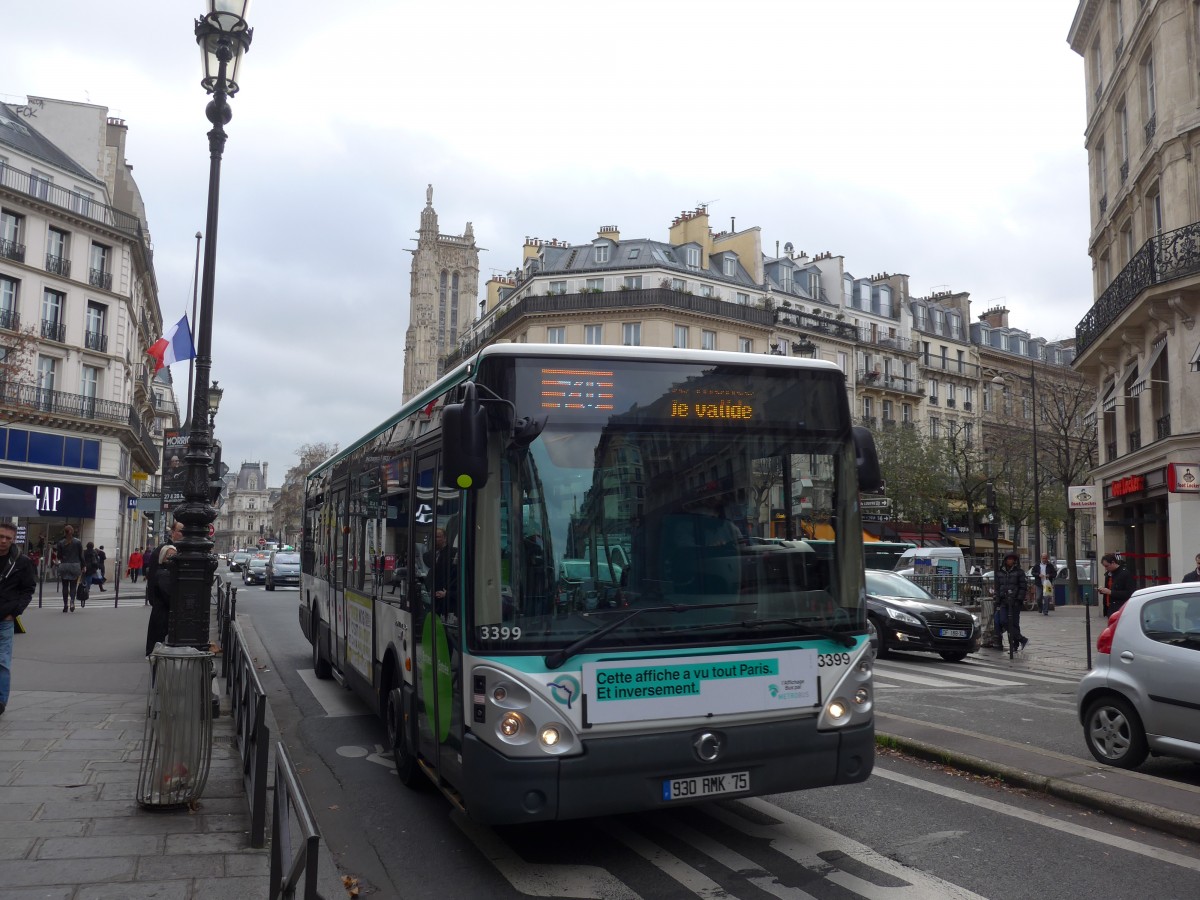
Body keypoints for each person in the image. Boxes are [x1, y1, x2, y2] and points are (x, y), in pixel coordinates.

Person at [0, 521, 37, 717]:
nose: (4, 541)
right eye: (1, 536)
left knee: (2, 663)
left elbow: (28, 589)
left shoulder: (22, 562)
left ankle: (0, 701)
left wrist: (14, 613)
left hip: (4, 620)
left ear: (13, 540)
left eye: (8, 538)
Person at [145, 520, 183, 656]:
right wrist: (152, 599)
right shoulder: (163, 550)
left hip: (165, 606)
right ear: (172, 532)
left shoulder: (181, 549)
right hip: (162, 605)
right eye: (180, 531)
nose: (183, 534)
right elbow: (153, 577)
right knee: (159, 635)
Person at [994, 551, 1029, 653]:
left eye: (1012, 559)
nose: (1011, 561)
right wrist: (997, 599)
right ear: (1005, 560)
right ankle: (1022, 639)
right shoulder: (1000, 573)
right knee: (1004, 621)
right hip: (1004, 601)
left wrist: (1019, 599)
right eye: (1009, 559)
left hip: (1014, 602)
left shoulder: (1019, 572)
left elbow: (1023, 587)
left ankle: (1014, 645)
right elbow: (997, 587)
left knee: (1014, 623)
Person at [54, 525, 84, 613]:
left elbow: (59, 556)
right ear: (72, 532)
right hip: (75, 565)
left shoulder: (61, 543)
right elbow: (81, 556)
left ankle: (65, 605)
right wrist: (83, 566)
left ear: (65, 532)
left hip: (64, 565)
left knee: (65, 586)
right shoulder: (77, 542)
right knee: (73, 586)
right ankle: (72, 602)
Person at [1098, 552, 1135, 617]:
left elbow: (1129, 593)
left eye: (1107, 566)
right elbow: (1110, 588)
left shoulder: (1124, 574)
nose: (1106, 568)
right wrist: (1103, 590)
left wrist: (1110, 592)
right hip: (1110, 608)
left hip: (1119, 608)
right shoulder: (1109, 574)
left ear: (1113, 563)